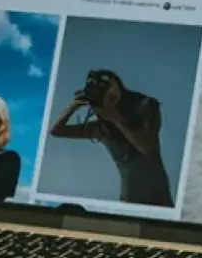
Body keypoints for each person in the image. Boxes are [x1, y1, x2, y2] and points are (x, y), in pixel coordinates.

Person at [49, 69, 173, 207]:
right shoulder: (102, 129)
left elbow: (145, 146)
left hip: (159, 200)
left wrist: (113, 115)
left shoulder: (145, 107)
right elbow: (56, 131)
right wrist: (73, 106)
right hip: (128, 201)